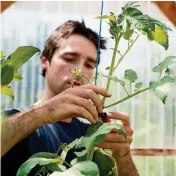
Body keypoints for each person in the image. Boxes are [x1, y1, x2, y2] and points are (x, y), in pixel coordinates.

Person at [1, 20, 139, 176]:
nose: (79, 70)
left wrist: (123, 156)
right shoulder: (17, 124)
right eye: (69, 58)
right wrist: (45, 111)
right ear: (45, 61)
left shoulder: (93, 136)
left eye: (89, 65)